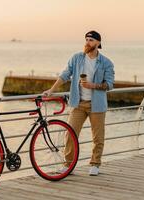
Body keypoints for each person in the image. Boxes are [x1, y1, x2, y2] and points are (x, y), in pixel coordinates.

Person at [43, 30, 115, 176]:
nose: (87, 42)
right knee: (70, 134)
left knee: (98, 137)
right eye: (86, 39)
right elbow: (64, 75)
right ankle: (68, 165)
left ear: (98, 43)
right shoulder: (76, 58)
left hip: (97, 105)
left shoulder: (106, 62)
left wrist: (92, 85)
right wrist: (51, 90)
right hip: (78, 103)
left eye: (91, 40)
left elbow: (109, 84)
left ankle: (95, 164)